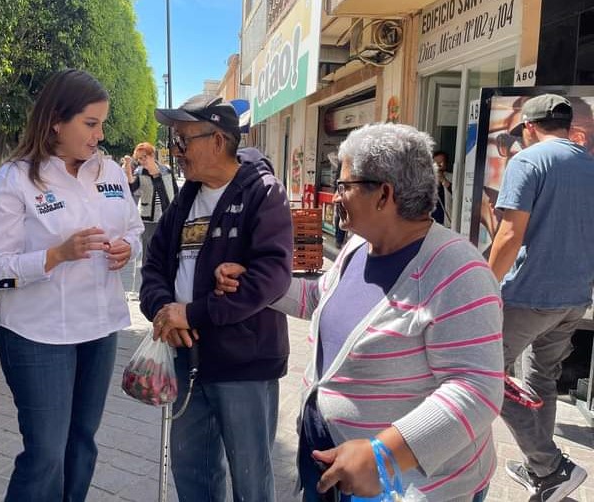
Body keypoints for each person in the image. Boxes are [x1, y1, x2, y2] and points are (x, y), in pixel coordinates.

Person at [216, 123, 504, 502]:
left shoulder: (457, 269)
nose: (335, 197)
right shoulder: (359, 247)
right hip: (335, 468)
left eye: (344, 185)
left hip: (408, 487)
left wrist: (383, 454)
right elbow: (321, 299)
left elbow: (477, 390)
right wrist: (258, 285)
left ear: (384, 194)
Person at [0, 68, 144, 502]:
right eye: (90, 123)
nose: (99, 135)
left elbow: (134, 228)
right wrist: (55, 255)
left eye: (102, 124)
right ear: (55, 120)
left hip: (99, 328)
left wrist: (128, 248)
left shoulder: (109, 172)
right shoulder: (14, 180)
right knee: (46, 453)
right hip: (36, 335)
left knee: (82, 444)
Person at [139, 94, 293, 501]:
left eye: (184, 140)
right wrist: (163, 312)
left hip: (244, 366)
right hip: (187, 361)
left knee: (251, 482)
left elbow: (272, 278)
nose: (177, 150)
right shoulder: (185, 199)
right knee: (193, 476)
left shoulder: (264, 192)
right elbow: (153, 266)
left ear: (218, 141)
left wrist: (192, 313)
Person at [488, 94, 594, 502]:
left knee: (481, 373)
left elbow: (510, 235)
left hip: (529, 295)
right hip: (574, 298)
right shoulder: (589, 163)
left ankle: (550, 465)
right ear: (568, 126)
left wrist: (484, 286)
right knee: (541, 381)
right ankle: (541, 472)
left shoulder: (528, 161)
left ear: (530, 127)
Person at [123, 141, 178, 264]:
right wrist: (128, 166)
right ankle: (149, 278)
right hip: (148, 218)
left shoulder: (166, 170)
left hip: (167, 216)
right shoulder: (140, 172)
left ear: (152, 155)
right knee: (149, 251)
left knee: (167, 248)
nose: (143, 161)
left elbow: (175, 191)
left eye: (145, 157)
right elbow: (132, 186)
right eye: (140, 159)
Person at [431, 150, 452, 226]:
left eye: (441, 163)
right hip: (431, 222)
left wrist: (443, 180)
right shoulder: (427, 180)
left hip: (447, 221)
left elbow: (458, 194)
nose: (437, 166)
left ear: (446, 164)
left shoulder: (452, 177)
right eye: (435, 163)